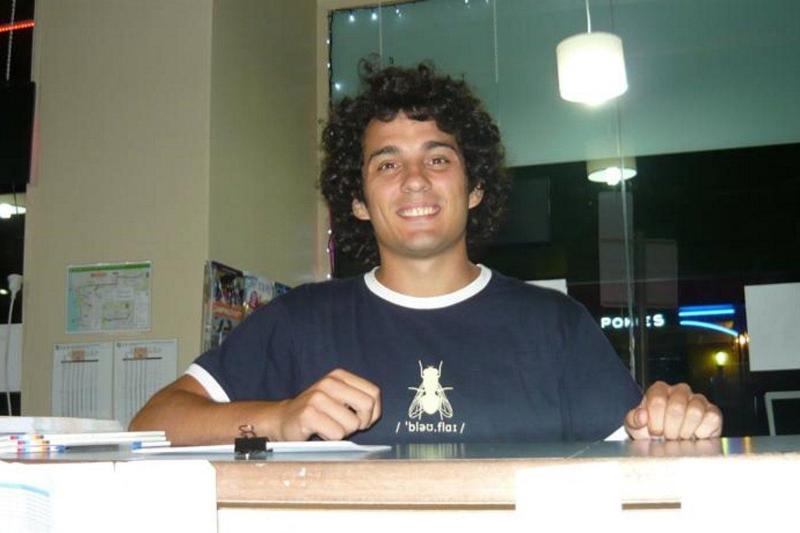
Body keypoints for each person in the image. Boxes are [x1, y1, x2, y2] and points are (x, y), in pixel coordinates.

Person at [130, 63, 722, 445]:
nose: (415, 180)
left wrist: (673, 419)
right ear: (358, 200)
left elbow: (641, 453)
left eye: (438, 159)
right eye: (387, 164)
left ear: (475, 186)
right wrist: (279, 418)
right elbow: (153, 423)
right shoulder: (296, 321)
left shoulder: (557, 326)